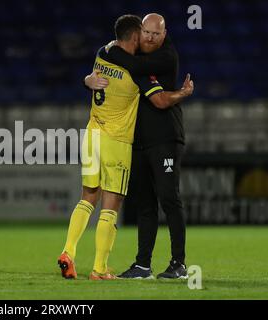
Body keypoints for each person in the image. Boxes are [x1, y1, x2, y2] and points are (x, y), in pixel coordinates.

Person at [58, 15, 193, 280]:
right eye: (145, 32)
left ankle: (178, 263)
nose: (149, 38)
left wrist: (88, 78)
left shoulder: (108, 54)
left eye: (155, 33)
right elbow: (160, 98)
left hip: (112, 135)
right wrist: (183, 93)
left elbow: (112, 62)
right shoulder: (133, 70)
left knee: (93, 196)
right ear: (136, 34)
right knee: (119, 203)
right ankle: (108, 267)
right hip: (123, 140)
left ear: (164, 35)